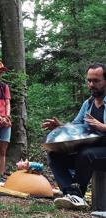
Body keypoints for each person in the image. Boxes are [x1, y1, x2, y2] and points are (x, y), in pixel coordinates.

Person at [42, 63, 106, 209]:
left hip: (99, 153)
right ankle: (71, 194)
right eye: (89, 80)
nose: (91, 84)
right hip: (91, 152)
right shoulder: (88, 103)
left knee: (85, 154)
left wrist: (102, 126)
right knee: (54, 155)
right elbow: (76, 128)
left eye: (96, 81)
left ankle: (76, 195)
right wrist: (61, 126)